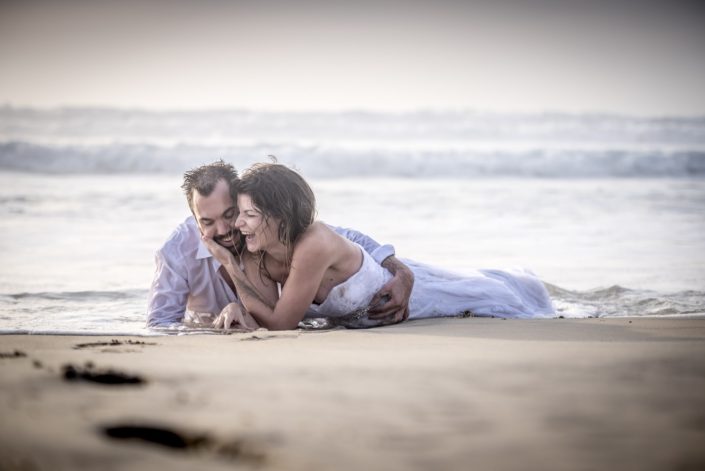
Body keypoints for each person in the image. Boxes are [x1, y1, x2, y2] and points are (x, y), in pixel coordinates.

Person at [202, 162, 555, 330]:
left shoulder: (315, 242)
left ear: (280, 216)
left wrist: (232, 269)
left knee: (497, 299)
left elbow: (280, 323)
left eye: (249, 214)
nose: (236, 224)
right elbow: (266, 311)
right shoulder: (256, 251)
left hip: (414, 303)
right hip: (364, 319)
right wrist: (237, 278)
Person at [147, 160, 415, 328]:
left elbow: (347, 238)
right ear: (195, 220)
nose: (227, 229)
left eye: (232, 214)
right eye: (207, 221)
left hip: (394, 293)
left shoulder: (272, 233)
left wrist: (401, 270)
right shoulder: (177, 253)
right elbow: (161, 323)